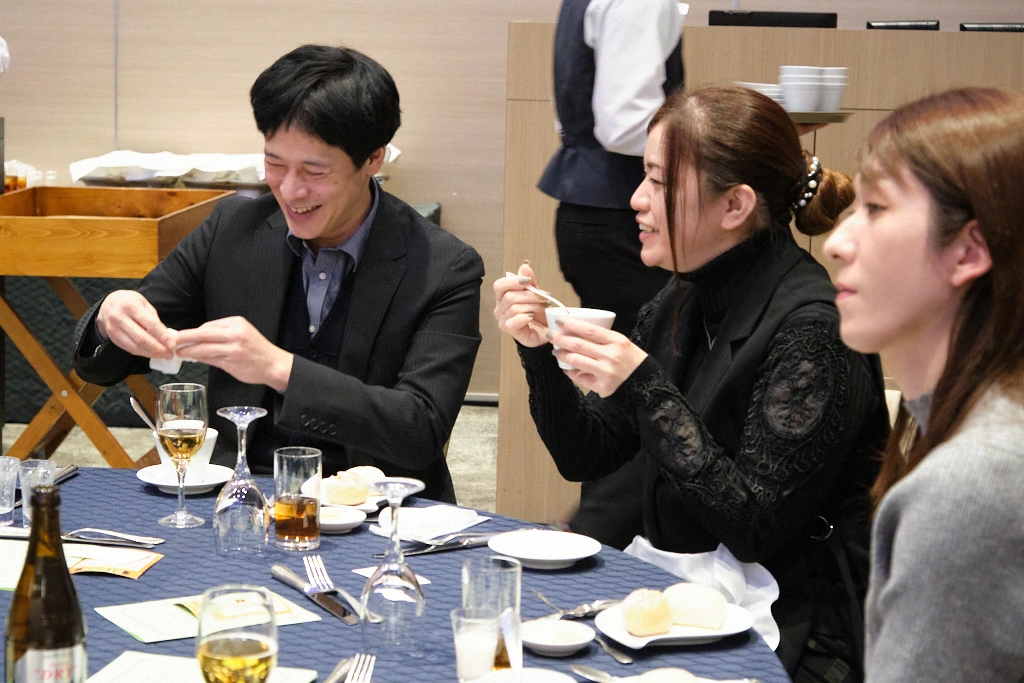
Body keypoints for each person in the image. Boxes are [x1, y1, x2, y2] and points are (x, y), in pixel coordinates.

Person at [496, 86, 890, 681]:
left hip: (797, 624)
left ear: (735, 205)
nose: (636, 199)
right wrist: (539, 354)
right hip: (691, 592)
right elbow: (587, 455)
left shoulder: (814, 331)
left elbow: (754, 525)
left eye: (658, 182)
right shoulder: (683, 295)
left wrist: (643, 385)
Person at [72, 45, 485, 503]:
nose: (290, 190)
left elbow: (420, 429)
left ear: (373, 159)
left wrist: (278, 368)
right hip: (240, 499)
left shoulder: (443, 266)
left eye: (314, 171)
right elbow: (106, 365)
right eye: (274, 164)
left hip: (379, 510)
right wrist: (111, 317)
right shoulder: (233, 230)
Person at [823, 87, 1024, 682]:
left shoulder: (968, 488)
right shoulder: (970, 426)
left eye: (875, 208)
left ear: (968, 251)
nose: (835, 242)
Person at [537, 0, 684, 550]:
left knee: (633, 387)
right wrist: (707, 141)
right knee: (657, 384)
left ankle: (595, 531)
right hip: (618, 214)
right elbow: (624, 122)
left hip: (596, 207)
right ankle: (595, 532)